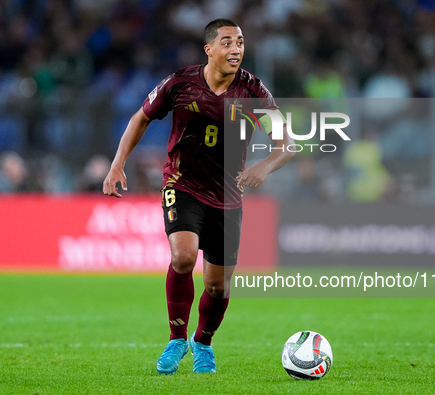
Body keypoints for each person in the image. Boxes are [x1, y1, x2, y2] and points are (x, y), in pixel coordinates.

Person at [103, 19, 294, 374]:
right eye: (227, 42)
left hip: (228, 197)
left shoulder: (253, 91)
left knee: (218, 287)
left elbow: (287, 144)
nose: (236, 49)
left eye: (240, 42)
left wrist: (265, 167)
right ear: (209, 49)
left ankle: (202, 343)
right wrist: (117, 166)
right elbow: (139, 119)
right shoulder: (180, 84)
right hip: (182, 185)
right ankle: (176, 339)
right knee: (183, 257)